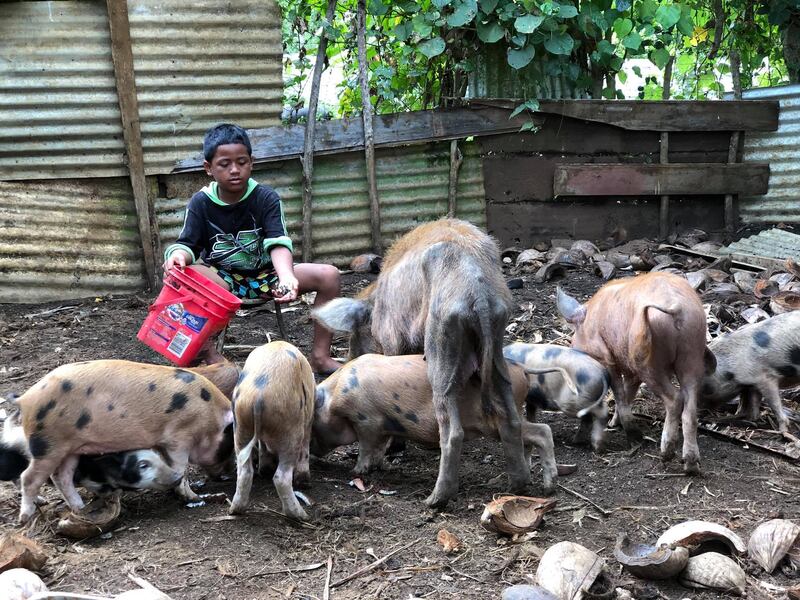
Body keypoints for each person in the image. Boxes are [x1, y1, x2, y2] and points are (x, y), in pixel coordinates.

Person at [162, 123, 341, 375]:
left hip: (267, 275)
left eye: (242, 162)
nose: (235, 170)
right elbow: (187, 244)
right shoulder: (200, 203)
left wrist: (287, 277)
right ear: (208, 168)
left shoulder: (266, 198)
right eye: (224, 164)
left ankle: (320, 357)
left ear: (252, 162)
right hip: (221, 280)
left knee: (330, 275)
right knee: (179, 275)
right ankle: (210, 356)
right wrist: (178, 256)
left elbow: (278, 242)